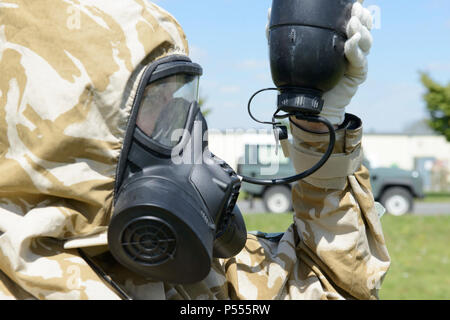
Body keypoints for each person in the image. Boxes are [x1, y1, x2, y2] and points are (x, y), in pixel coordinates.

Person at [0, 0, 390, 300]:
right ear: (66, 128)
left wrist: (317, 123)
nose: (190, 130)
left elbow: (328, 286)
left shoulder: (184, 276)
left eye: (182, 100)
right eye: (156, 103)